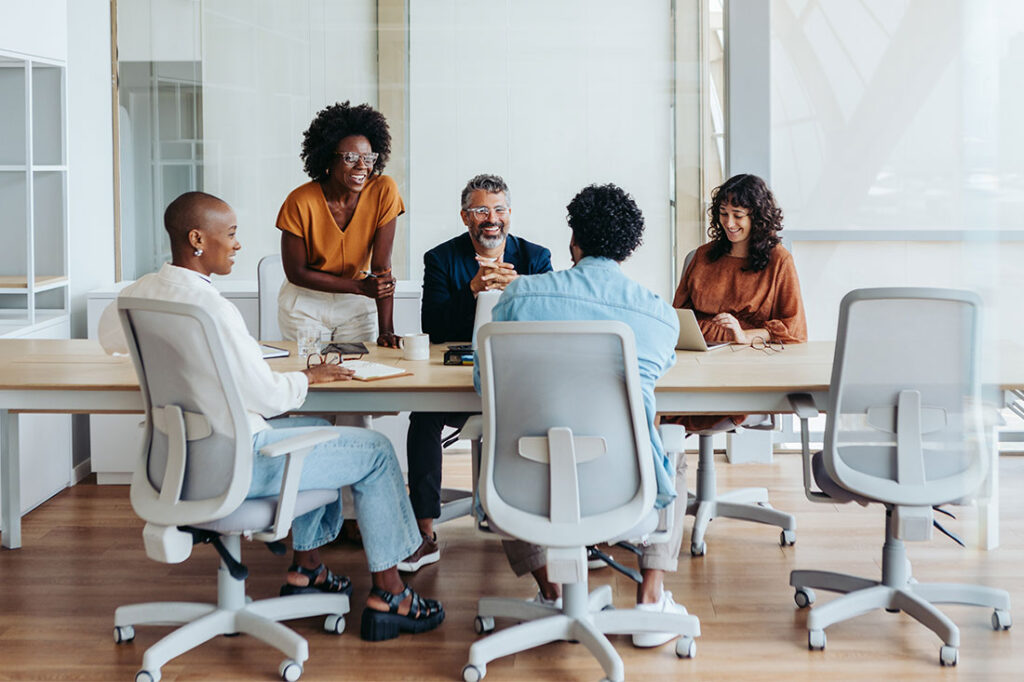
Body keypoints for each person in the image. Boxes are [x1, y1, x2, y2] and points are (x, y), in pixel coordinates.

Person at [98, 192, 443, 642]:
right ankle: (390, 594)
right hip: (239, 463)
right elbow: (267, 396)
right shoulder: (215, 309)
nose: (238, 245)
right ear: (198, 238)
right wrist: (310, 376)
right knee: (376, 452)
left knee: (317, 430)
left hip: (175, 464)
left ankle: (308, 569)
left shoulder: (143, 291)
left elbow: (109, 338)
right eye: (232, 234)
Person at [479, 183, 688, 648]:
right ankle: (651, 600)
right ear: (628, 249)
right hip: (623, 492)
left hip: (521, 492)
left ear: (574, 241)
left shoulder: (517, 299)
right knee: (670, 445)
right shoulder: (658, 316)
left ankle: (551, 594)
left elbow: (483, 387)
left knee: (506, 439)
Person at [399, 174, 552, 572]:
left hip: (518, 383)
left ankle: (549, 526)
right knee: (423, 416)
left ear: (510, 215)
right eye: (482, 210)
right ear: (465, 216)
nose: (491, 218)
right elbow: (433, 327)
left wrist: (522, 290)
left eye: (499, 209)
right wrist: (471, 289)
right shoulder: (441, 258)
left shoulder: (536, 257)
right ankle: (424, 530)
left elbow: (550, 322)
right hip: (459, 378)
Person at [667, 173, 807, 432]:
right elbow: (677, 316)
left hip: (747, 365)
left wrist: (743, 335)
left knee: (662, 415)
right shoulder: (703, 256)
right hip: (698, 359)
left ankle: (665, 457)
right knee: (654, 399)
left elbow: (795, 331)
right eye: (723, 213)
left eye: (738, 215)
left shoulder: (779, 261)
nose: (729, 223)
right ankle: (666, 463)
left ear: (757, 216)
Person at [276, 101, 403, 349]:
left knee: (359, 372)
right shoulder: (300, 201)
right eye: (350, 157)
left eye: (368, 158)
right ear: (328, 159)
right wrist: (358, 286)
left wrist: (387, 329)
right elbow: (296, 272)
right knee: (313, 372)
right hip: (306, 301)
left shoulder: (384, 190)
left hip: (356, 303)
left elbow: (381, 268)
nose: (361, 166)